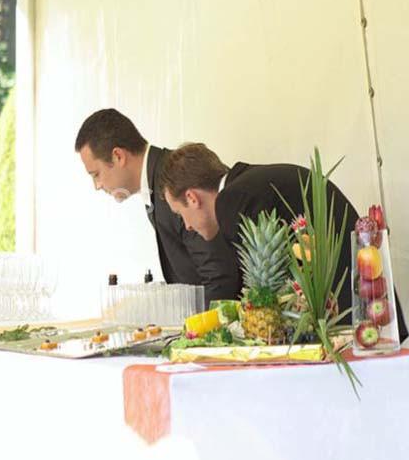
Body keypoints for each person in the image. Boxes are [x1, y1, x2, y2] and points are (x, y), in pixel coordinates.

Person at [158, 142, 407, 340]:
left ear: (192, 198)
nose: (188, 226)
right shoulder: (252, 181)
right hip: (366, 302)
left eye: (181, 216)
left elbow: (251, 284)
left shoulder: (230, 201)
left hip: (344, 322)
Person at [74, 108, 239, 301]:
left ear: (118, 156)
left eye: (96, 174)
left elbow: (220, 277)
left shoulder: (173, 181)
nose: (97, 186)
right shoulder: (158, 177)